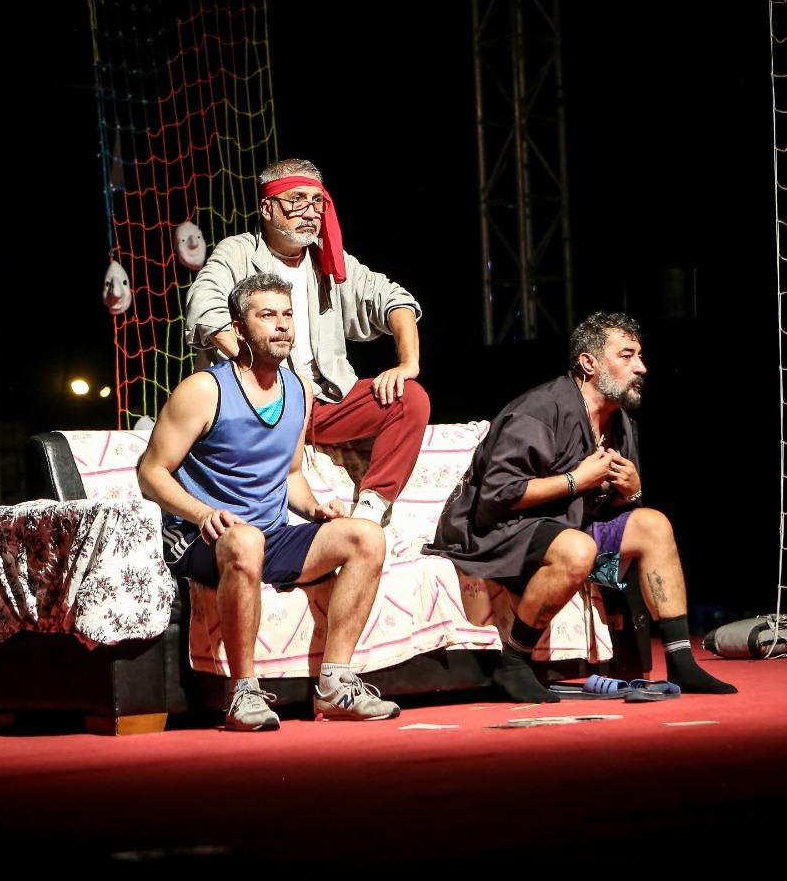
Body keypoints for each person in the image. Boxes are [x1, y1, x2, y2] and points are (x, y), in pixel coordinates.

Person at [425, 311, 737, 702]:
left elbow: (609, 508)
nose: (641, 367)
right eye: (627, 356)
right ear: (589, 363)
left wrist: (631, 492)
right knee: (578, 547)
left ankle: (680, 660)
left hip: (566, 525)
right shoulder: (538, 411)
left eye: (640, 356)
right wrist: (577, 479)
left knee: (653, 524)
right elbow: (498, 495)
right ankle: (514, 663)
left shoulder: (620, 422)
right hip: (496, 531)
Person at [139, 273, 401, 730]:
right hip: (200, 538)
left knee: (366, 537)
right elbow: (151, 473)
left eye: (287, 315)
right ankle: (242, 693)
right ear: (240, 329)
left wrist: (315, 509)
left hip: (268, 536)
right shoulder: (205, 390)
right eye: (267, 316)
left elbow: (291, 474)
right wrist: (202, 512)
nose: (281, 325)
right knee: (245, 541)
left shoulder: (298, 389)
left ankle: (335, 685)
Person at [185, 158, 427, 526]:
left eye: (317, 201)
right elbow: (204, 306)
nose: (311, 212)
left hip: (325, 402)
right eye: (297, 200)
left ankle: (371, 510)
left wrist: (408, 364)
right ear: (268, 208)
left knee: (409, 399)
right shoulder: (238, 252)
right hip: (263, 400)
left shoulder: (328, 259)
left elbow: (395, 299)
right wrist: (256, 367)